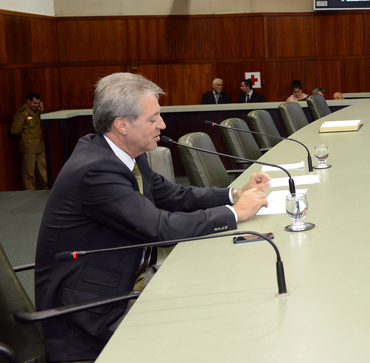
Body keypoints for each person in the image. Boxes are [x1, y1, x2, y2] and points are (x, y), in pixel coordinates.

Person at [34, 73, 271, 362]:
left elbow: (175, 196)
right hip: (93, 310)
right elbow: (160, 228)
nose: (163, 124)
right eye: (153, 118)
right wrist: (235, 213)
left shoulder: (126, 155)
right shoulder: (96, 171)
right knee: (209, 329)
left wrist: (235, 194)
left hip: (128, 278)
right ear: (122, 124)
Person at [11, 92, 47, 190]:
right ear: (28, 101)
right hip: (29, 146)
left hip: (39, 145)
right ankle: (29, 192)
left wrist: (42, 111)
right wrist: (26, 139)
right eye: (34, 103)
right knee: (28, 172)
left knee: (43, 170)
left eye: (38, 103)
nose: (36, 105)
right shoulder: (22, 112)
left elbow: (43, 123)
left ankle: (45, 189)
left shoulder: (36, 111)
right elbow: (15, 131)